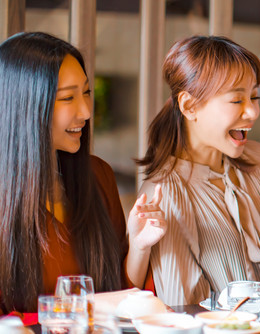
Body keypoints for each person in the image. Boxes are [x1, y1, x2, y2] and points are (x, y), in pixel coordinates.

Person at [137, 35, 260, 306]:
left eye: (254, 96)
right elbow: (186, 310)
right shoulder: (165, 193)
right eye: (236, 100)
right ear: (189, 106)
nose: (253, 112)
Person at [0, 32, 166, 313]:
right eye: (67, 98)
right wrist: (86, 306)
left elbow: (121, 296)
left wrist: (139, 246)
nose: (86, 111)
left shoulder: (97, 175)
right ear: (25, 106)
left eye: (86, 92)